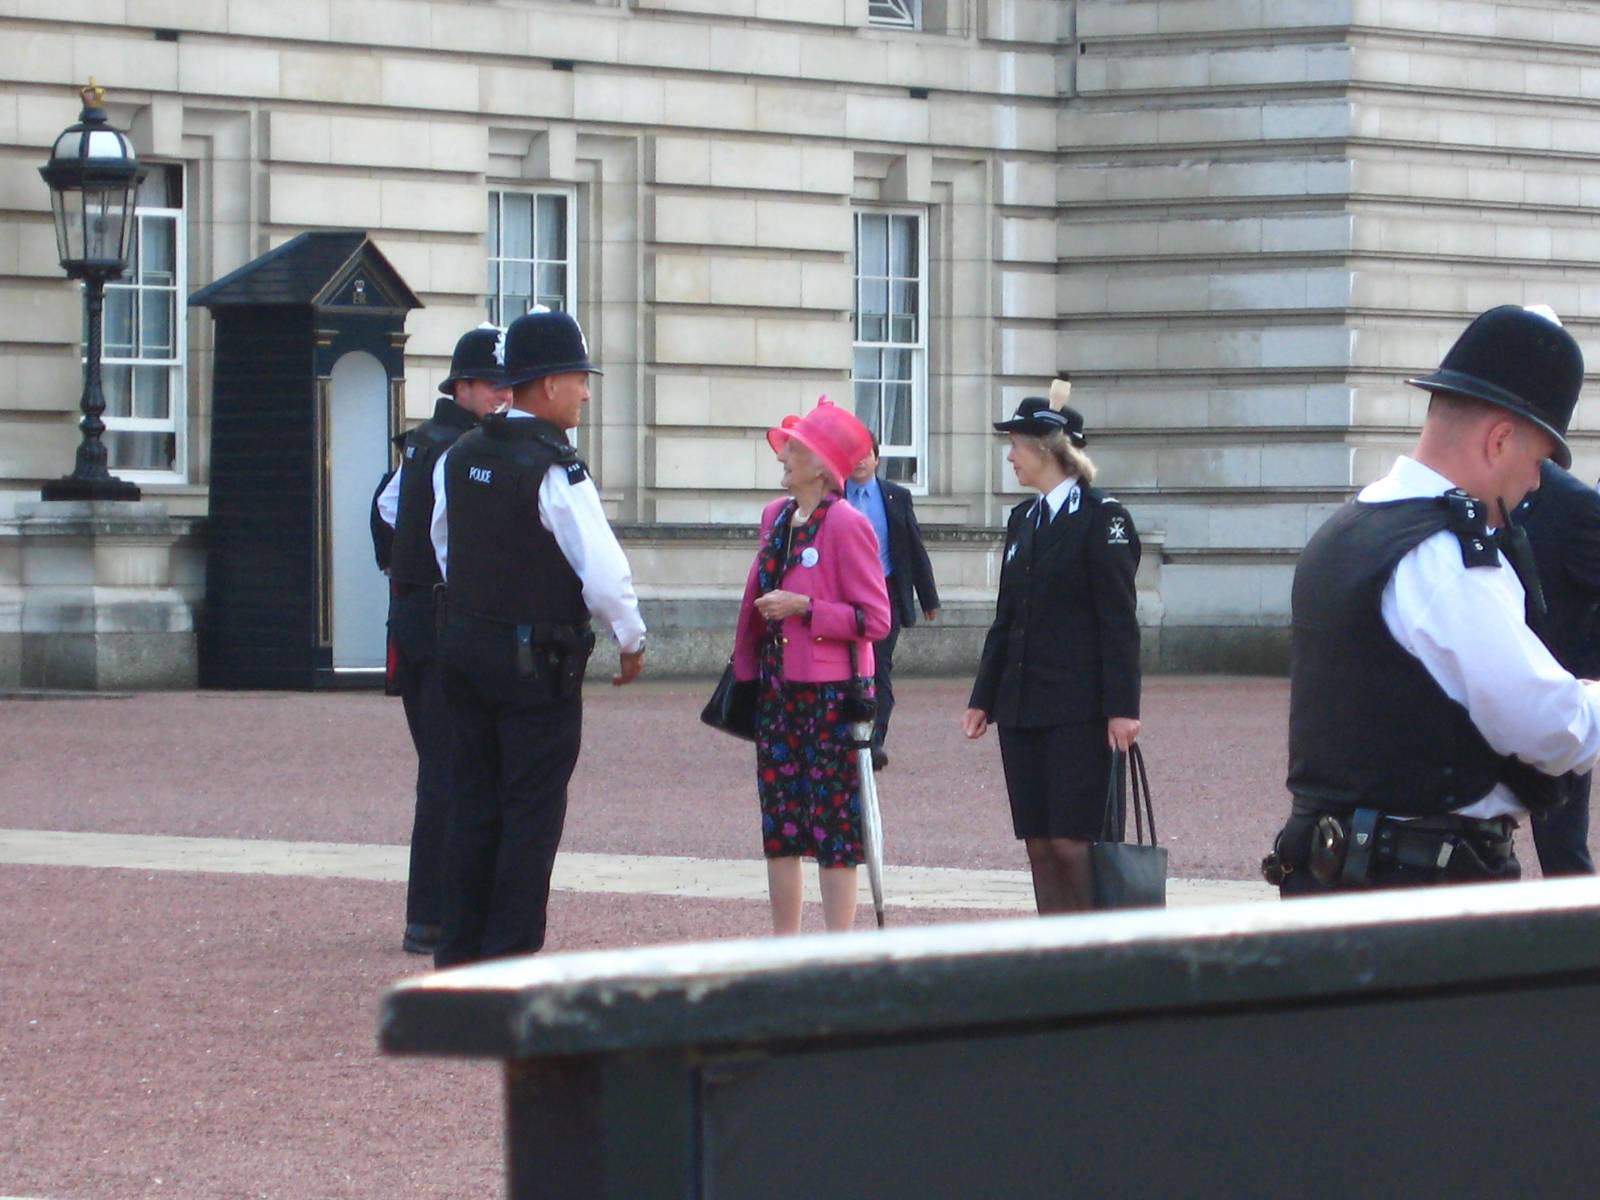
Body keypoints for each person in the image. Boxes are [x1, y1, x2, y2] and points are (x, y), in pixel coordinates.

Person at [1265, 304, 1600, 896]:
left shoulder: (1354, 525)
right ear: (1500, 439)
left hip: (1334, 873)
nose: (1538, 482)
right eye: (1539, 460)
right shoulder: (1446, 554)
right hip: (1419, 884)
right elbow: (1544, 726)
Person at [428, 309, 646, 967]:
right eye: (579, 379)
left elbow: (444, 544)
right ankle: (510, 951)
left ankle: (459, 948)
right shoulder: (555, 467)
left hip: (463, 645)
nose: (584, 392)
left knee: (471, 803)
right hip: (534, 662)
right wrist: (630, 639)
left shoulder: (461, 453)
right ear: (548, 383)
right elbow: (603, 573)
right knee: (530, 809)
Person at [962, 379, 1142, 914]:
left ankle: (1097, 953)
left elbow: (1118, 621)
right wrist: (983, 696)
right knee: (1039, 842)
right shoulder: (1024, 519)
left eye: (1017, 445)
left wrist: (1122, 708)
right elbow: (1007, 619)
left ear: (1046, 450)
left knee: (1072, 841)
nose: (1011, 457)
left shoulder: (1101, 518)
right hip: (1023, 703)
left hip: (1079, 708)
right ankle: (1056, 954)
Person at [731, 398, 891, 934]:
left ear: (822, 464)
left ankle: (837, 946)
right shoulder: (775, 517)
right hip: (777, 688)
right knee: (780, 820)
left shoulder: (847, 525)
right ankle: (786, 943)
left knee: (832, 826)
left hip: (830, 691)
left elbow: (875, 618)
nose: (786, 454)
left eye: (797, 447)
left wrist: (807, 609)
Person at [374, 324, 509, 955]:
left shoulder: (423, 445)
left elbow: (384, 510)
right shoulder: (464, 449)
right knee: (452, 771)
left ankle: (431, 910)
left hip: (413, 615)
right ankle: (434, 913)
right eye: (497, 385)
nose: (506, 397)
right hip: (441, 620)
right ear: (467, 386)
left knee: (444, 768)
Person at [1511, 457, 1600, 876]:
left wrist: (1584, 682)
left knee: (1561, 848)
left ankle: (1581, 938)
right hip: (1491, 683)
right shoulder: (1487, 493)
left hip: (1555, 691)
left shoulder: (1576, 505)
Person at [845, 434, 940, 770]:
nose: (858, 461)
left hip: (885, 593)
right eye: (852, 455)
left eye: (865, 455)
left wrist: (928, 597)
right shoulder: (833, 495)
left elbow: (913, 547)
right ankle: (844, 735)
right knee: (845, 666)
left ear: (876, 458)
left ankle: (875, 739)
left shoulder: (896, 496)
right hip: (843, 594)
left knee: (879, 664)